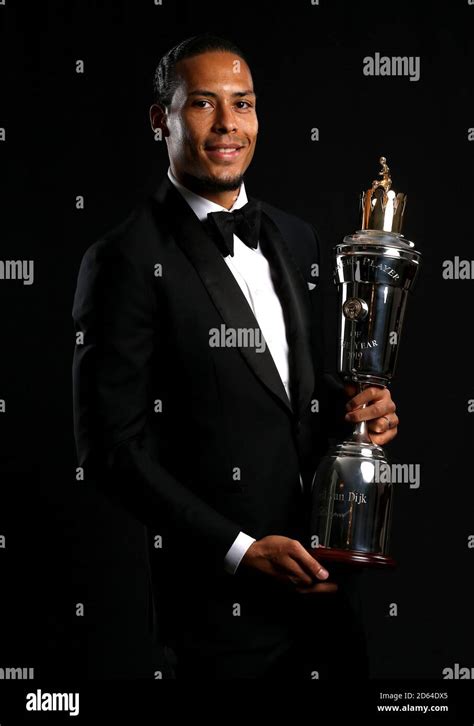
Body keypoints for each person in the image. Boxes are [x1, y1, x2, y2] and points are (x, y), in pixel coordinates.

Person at [72, 34, 399, 680]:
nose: (227, 125)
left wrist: (357, 408)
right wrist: (240, 551)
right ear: (159, 119)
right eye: (201, 104)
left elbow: (286, 394)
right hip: (221, 624)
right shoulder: (124, 260)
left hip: (330, 600)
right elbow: (110, 449)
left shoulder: (297, 237)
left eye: (242, 104)